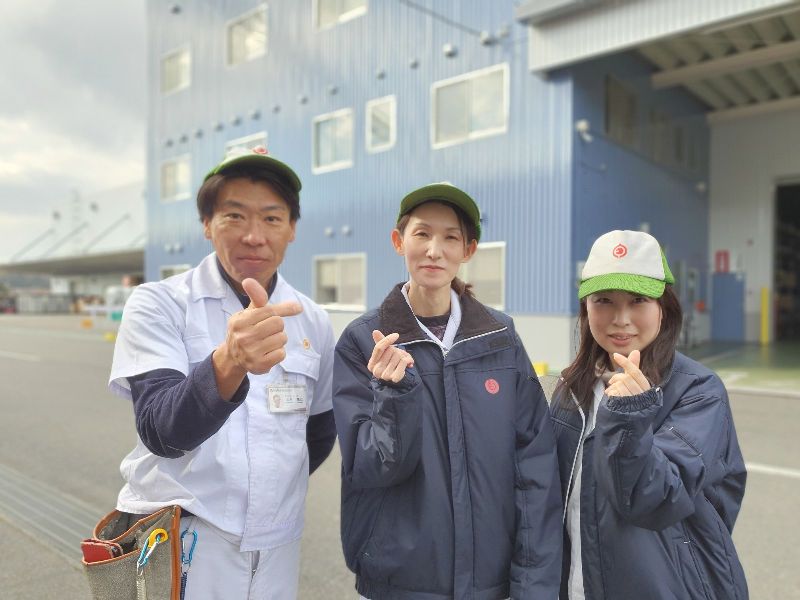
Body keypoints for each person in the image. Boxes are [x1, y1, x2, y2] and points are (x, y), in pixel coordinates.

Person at [108, 146, 337, 599]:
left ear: (292, 229)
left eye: (272, 218)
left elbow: (318, 430)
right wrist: (228, 360)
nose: (254, 236)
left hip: (276, 543)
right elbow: (161, 431)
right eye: (234, 216)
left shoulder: (312, 319)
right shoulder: (160, 303)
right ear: (207, 224)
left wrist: (265, 487)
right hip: (181, 538)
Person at [332, 183, 563, 600]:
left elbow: (535, 464)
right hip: (399, 583)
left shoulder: (499, 337)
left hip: (491, 582)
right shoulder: (364, 340)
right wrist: (395, 395)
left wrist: (533, 585)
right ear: (398, 241)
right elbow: (368, 468)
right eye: (422, 234)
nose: (434, 251)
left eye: (450, 237)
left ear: (468, 250)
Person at [550, 230, 748, 599]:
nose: (620, 319)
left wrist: (630, 414)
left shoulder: (698, 390)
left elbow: (653, 499)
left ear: (664, 308)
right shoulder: (571, 388)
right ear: (586, 308)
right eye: (603, 300)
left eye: (638, 300)